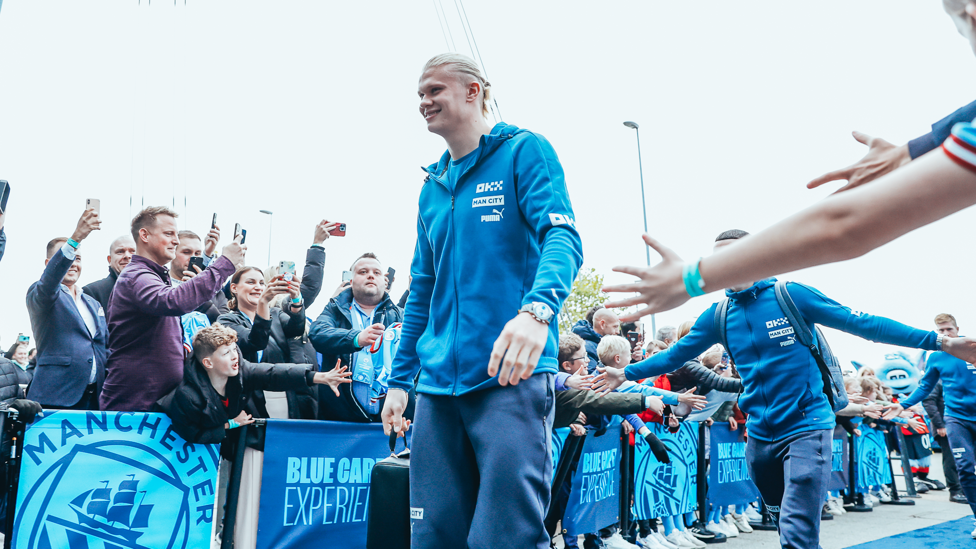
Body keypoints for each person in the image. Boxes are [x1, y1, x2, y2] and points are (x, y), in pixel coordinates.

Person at [594, 229, 976, 549]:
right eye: (718, 261)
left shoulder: (791, 295)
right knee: (784, 524)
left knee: (796, 529)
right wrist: (626, 372)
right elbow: (675, 355)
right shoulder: (719, 315)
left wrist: (939, 342)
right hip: (759, 436)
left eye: (737, 256)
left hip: (808, 426)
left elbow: (864, 324)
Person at [599, 8, 976, 324]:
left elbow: (844, 228)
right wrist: (911, 152)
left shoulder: (789, 296)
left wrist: (691, 278)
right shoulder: (720, 318)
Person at [381, 53, 583, 549]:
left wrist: (538, 311)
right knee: (432, 537)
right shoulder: (432, 186)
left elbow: (564, 240)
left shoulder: (523, 151)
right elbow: (421, 291)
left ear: (474, 90)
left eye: (435, 90)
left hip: (509, 380)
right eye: (420, 95)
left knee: (504, 538)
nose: (424, 102)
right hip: (436, 393)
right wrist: (400, 382)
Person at [155, 323, 350, 547]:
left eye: (234, 349)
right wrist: (229, 424)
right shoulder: (188, 396)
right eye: (226, 353)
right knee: (195, 501)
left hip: (219, 436)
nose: (234, 356)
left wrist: (317, 377)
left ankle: (226, 538)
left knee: (229, 491)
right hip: (181, 444)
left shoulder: (241, 371)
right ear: (208, 363)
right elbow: (191, 432)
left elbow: (273, 373)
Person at [100, 206, 243, 412]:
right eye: (169, 234)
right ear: (144, 235)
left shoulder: (152, 275)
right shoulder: (137, 276)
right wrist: (225, 262)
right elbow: (173, 301)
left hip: (152, 403)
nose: (176, 241)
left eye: (176, 235)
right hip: (136, 408)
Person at [884, 312, 976, 538]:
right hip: (956, 418)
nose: (945, 335)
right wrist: (903, 404)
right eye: (941, 331)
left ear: (957, 329)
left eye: (949, 330)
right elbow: (925, 386)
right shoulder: (935, 356)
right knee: (964, 468)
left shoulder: (970, 347)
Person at [26, 209, 108, 410]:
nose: (73, 263)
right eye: (69, 257)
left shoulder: (92, 303)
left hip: (95, 398)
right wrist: (76, 238)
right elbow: (49, 281)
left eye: (78, 258)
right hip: (56, 396)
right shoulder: (41, 292)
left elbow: (102, 345)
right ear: (49, 264)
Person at [310, 253, 404, 422]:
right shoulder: (335, 308)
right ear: (351, 282)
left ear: (385, 282)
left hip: (391, 421)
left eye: (377, 272)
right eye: (363, 272)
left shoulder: (399, 315)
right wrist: (356, 338)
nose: (370, 275)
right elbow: (317, 333)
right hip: (339, 420)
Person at [217, 266, 317, 419]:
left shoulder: (276, 314)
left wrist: (296, 298)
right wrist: (263, 303)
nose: (258, 287)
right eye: (251, 282)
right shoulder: (226, 320)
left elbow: (295, 329)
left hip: (283, 395)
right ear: (234, 288)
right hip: (248, 400)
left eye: (261, 283)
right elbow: (255, 342)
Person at [169, 230, 223, 322]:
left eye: (197, 253)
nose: (193, 258)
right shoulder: (159, 284)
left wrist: (198, 289)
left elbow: (221, 324)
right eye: (186, 252)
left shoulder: (212, 290)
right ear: (172, 252)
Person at [82, 235, 136, 313]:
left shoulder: (153, 288)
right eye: (120, 251)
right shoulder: (93, 292)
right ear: (109, 259)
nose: (127, 256)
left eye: (132, 251)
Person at [572, 308, 621, 373]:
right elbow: (591, 377)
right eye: (615, 327)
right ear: (602, 324)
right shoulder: (587, 347)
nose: (618, 332)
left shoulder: (606, 344)